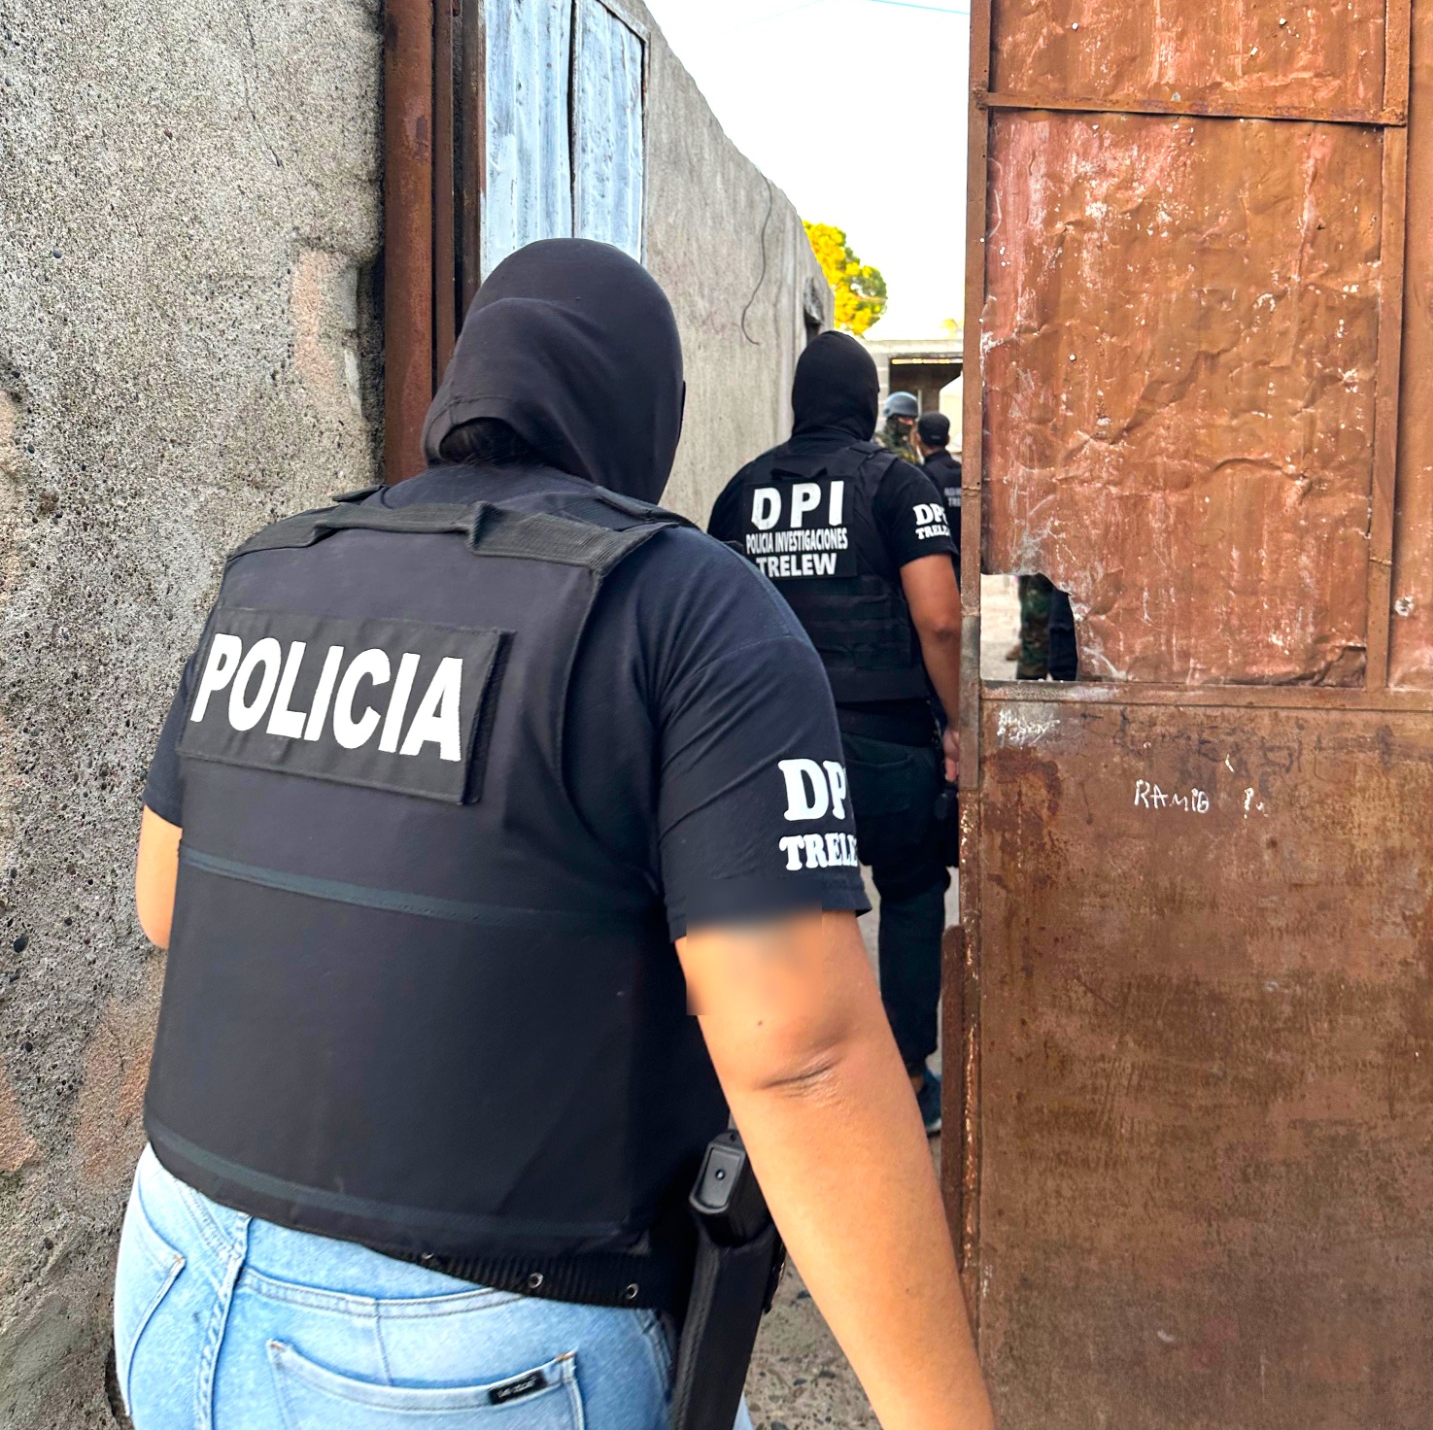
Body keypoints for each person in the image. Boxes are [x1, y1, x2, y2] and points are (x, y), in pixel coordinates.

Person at [115, 241, 992, 1430]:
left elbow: (166, 902)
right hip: (475, 1349)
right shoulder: (679, 601)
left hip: (172, 1277)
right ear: (644, 406)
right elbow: (803, 1058)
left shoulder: (275, 567)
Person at [709, 334, 960, 1138]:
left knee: (790, 908)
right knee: (912, 890)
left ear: (798, 403)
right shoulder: (897, 483)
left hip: (775, 746)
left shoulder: (742, 492)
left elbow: (716, 622)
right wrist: (959, 724)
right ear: (867, 405)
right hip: (886, 742)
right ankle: (906, 1076)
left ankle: (792, 1085)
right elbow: (939, 619)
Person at [916, 410, 962, 557]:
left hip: (938, 557)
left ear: (918, 438)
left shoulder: (920, 476)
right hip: (964, 557)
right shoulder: (963, 472)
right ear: (948, 439)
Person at [877, 389, 920, 465]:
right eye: (906, 419)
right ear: (893, 419)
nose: (910, 423)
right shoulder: (877, 442)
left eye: (912, 419)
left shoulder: (907, 447)